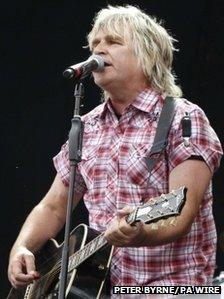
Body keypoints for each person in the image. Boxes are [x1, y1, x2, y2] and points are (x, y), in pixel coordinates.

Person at [8, 4, 223, 297]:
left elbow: (181, 210)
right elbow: (53, 206)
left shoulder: (183, 118)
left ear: (147, 55)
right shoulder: (85, 127)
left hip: (174, 285)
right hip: (104, 287)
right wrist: (22, 247)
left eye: (113, 42)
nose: (98, 49)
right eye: (95, 43)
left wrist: (142, 234)